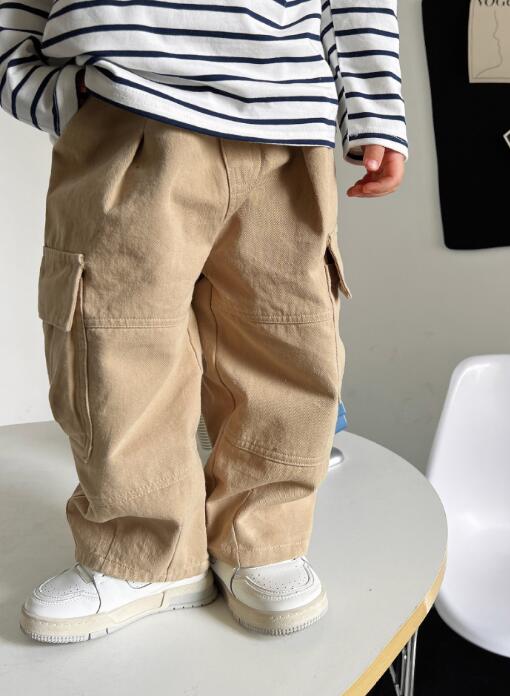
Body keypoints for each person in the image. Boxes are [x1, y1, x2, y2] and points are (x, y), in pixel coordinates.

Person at [0, 0, 407, 642]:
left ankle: (262, 537)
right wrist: (46, 88)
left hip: (284, 115)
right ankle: (143, 551)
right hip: (127, 99)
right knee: (114, 336)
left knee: (288, 336)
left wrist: (376, 106)